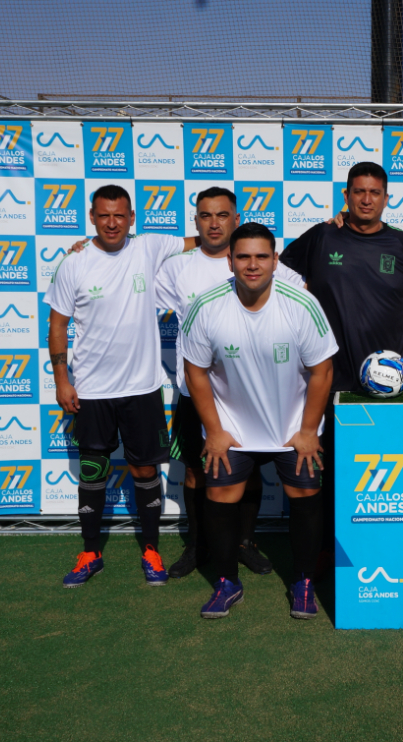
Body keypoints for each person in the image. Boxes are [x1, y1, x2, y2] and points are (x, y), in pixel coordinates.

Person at [279, 161, 403, 576]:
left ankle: (379, 550)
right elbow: (278, 276)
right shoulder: (322, 235)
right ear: (345, 195)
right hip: (325, 381)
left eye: (375, 192)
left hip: (385, 387)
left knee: (380, 476)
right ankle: (327, 551)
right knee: (328, 472)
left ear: (386, 198)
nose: (367, 199)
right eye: (359, 191)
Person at [181, 223, 337, 618]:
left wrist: (307, 430)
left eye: (261, 257)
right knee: (220, 497)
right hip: (232, 428)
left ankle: (303, 582)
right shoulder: (206, 306)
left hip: (292, 427)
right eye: (244, 257)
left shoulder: (301, 304)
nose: (253, 265)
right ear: (230, 260)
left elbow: (322, 371)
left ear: (275, 260)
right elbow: (195, 371)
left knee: (305, 497)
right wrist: (215, 431)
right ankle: (226, 583)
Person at [155, 187, 303, 580]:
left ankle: (244, 543)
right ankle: (198, 545)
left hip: (249, 394)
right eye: (205, 215)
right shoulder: (176, 269)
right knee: (195, 471)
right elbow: (129, 291)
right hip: (196, 393)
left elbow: (302, 300)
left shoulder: (261, 262)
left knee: (248, 470)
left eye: (223, 215)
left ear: (236, 219)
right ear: (196, 222)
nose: (214, 223)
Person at [46, 184, 189, 588]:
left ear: (131, 218)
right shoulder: (73, 262)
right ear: (92, 216)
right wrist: (62, 380)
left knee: (145, 468)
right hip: (91, 390)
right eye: (104, 215)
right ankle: (90, 552)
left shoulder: (148, 247)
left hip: (141, 388)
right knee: (93, 471)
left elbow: (208, 239)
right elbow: (57, 325)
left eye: (119, 215)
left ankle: (151, 550)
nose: (112, 223)